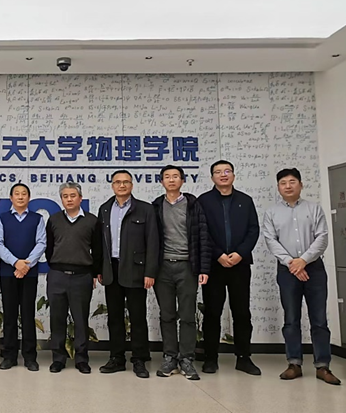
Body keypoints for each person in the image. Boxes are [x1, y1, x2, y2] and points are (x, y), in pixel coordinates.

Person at [262, 168, 340, 385]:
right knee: (291, 319)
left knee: (319, 319)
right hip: (287, 270)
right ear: (278, 187)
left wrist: (303, 260)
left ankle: (323, 366)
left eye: (292, 181)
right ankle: (294, 363)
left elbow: (322, 238)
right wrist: (292, 263)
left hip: (314, 269)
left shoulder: (314, 209)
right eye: (283, 183)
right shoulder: (272, 213)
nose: (288, 186)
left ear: (301, 184)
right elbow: (271, 241)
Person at [198, 160, 261, 375]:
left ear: (233, 175)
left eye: (227, 171)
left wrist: (240, 253)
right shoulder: (203, 201)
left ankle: (244, 358)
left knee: (242, 312)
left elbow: (253, 230)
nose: (223, 175)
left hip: (239, 264)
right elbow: (202, 232)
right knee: (212, 312)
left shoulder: (245, 200)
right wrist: (218, 255)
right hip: (214, 265)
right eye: (218, 172)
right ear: (212, 177)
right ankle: (210, 358)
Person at [152, 165, 211, 380]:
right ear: (161, 181)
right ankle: (169, 357)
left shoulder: (193, 205)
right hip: (163, 268)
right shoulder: (155, 206)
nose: (171, 180)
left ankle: (186, 359)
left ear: (182, 180)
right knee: (167, 315)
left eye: (175, 176)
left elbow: (203, 236)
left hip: (187, 266)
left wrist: (204, 268)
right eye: (167, 177)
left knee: (187, 315)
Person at [97, 170, 158, 378]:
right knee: (114, 317)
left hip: (136, 269)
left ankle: (139, 359)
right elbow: (100, 243)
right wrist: (100, 269)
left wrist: (150, 271)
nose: (121, 185)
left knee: (137, 317)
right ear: (112, 185)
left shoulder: (145, 209)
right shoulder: (105, 209)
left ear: (132, 185)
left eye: (126, 182)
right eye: (117, 182)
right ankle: (117, 358)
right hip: (111, 269)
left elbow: (153, 242)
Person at [47, 182, 101, 374]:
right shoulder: (54, 220)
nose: (69, 199)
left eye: (72, 196)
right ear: (61, 199)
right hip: (57, 276)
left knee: (80, 319)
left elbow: (98, 250)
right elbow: (49, 248)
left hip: (81, 276)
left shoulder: (92, 221)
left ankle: (81, 359)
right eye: (65, 196)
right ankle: (58, 358)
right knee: (57, 319)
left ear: (80, 198)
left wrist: (93, 273)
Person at [0, 183, 46, 371]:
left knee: (28, 314)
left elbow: (41, 243)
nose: (21, 197)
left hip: (29, 273)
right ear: (11, 198)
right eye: (17, 194)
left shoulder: (37, 219)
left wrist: (26, 265)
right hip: (8, 272)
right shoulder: (2, 218)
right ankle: (10, 356)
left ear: (29, 198)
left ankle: (30, 357)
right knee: (9, 315)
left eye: (24, 194)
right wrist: (16, 263)